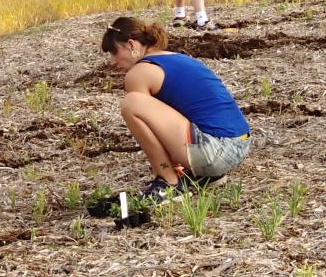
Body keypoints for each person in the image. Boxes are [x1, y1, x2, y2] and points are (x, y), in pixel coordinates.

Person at [101, 16, 252, 202]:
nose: (112, 61)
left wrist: (164, 171)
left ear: (131, 45)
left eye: (113, 52)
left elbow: (152, 130)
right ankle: (205, 176)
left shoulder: (139, 73)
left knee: (132, 103)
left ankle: (169, 184)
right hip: (239, 144)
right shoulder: (177, 58)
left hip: (216, 151)